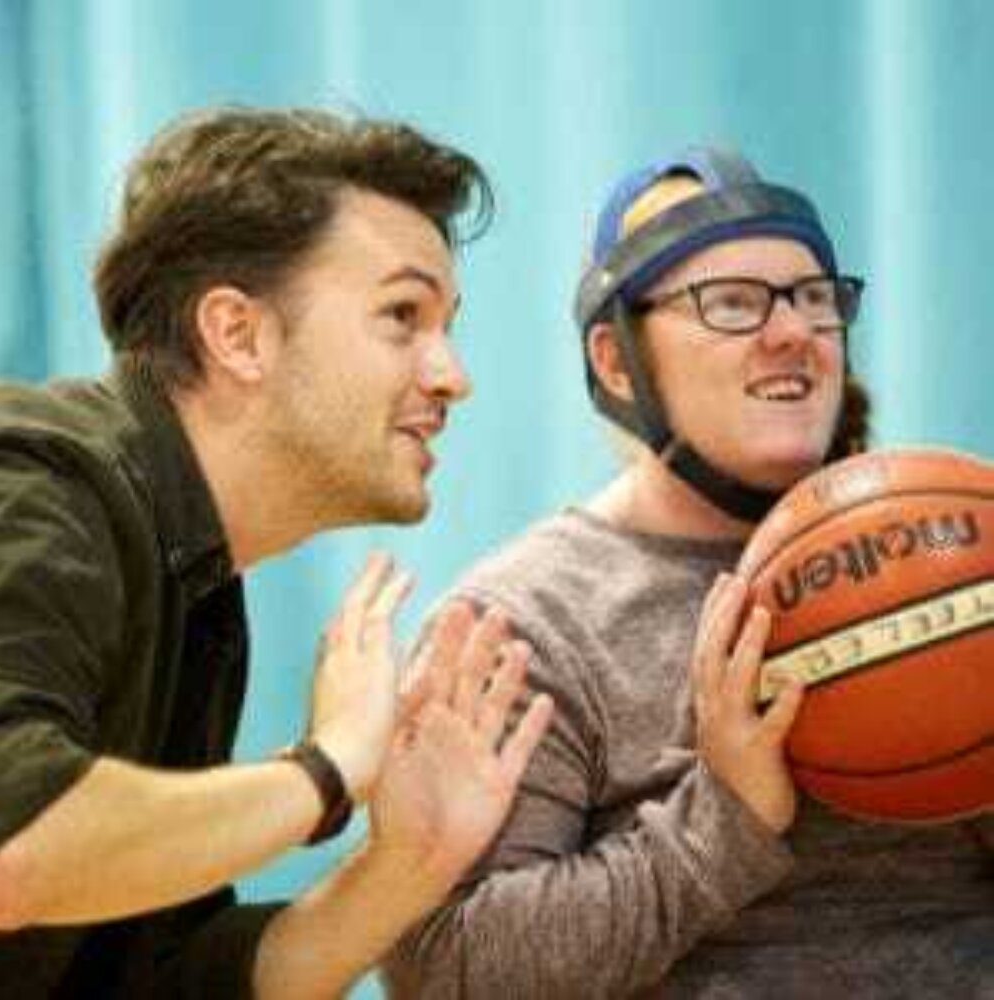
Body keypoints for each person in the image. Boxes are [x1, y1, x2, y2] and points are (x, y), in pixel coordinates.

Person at [383, 146, 994, 997]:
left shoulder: (962, 558)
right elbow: (443, 968)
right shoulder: (521, 623)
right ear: (614, 358)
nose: (793, 334)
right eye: (731, 304)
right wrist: (724, 820)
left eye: (814, 300)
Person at [0, 105, 553, 999]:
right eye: (402, 316)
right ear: (237, 333)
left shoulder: (195, 576)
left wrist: (411, 860)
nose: (452, 375)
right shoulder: (35, 480)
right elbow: (14, 848)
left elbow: (170, 978)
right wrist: (326, 770)